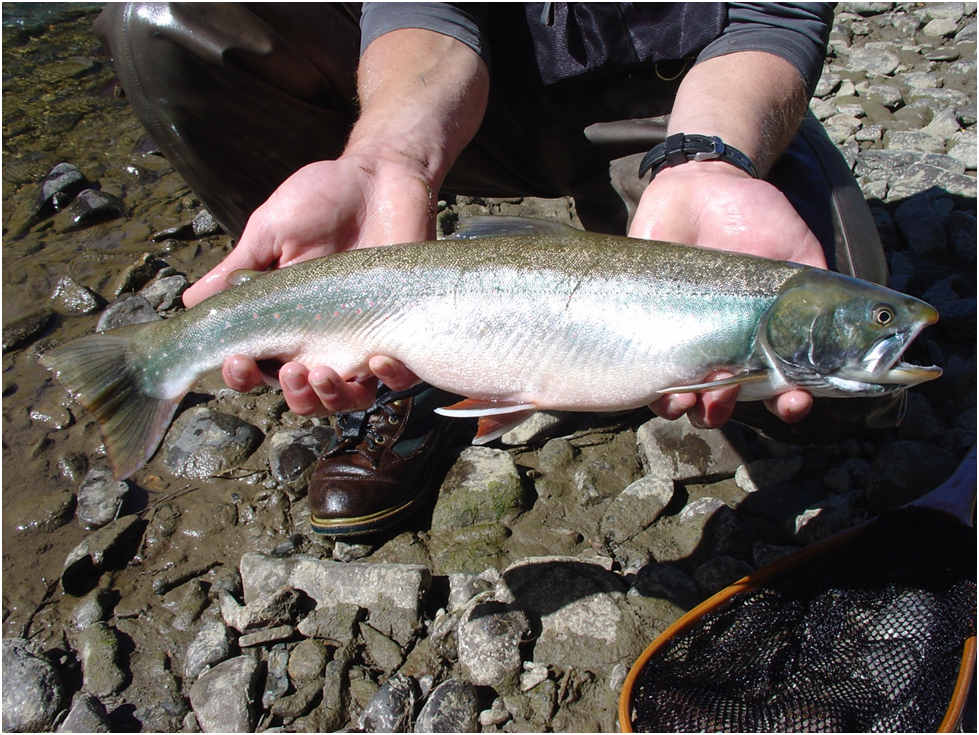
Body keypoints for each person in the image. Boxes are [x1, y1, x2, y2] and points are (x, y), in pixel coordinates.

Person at [95, 3, 888, 536]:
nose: (893, 325)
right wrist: (389, 158)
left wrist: (709, 160)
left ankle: (445, 351)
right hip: (450, 82)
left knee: (839, 400)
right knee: (163, 16)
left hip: (677, 99)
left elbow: (774, 12)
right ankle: (384, 373)